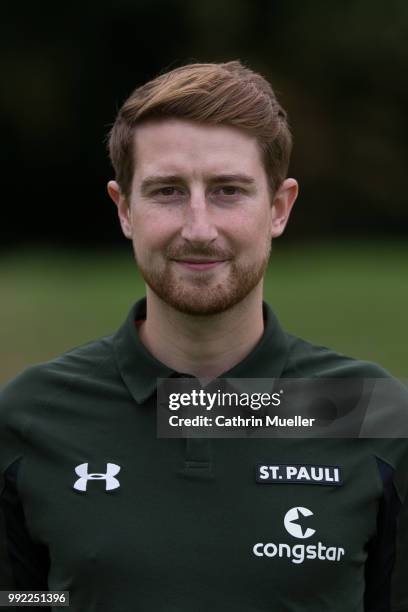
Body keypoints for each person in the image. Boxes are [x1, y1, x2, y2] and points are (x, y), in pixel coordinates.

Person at [0, 61, 407, 612]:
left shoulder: (373, 414)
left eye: (228, 191)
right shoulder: (28, 416)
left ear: (279, 208)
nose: (198, 228)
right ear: (124, 210)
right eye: (167, 191)